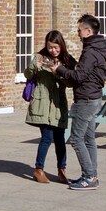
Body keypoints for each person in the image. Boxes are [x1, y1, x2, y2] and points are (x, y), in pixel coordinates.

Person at [52, 14, 106, 191]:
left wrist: (59, 70)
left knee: (77, 139)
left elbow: (79, 76)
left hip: (86, 100)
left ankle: (88, 176)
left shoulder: (91, 51)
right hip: (93, 98)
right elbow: (85, 71)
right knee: (88, 138)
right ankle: (92, 174)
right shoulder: (98, 48)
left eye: (79, 30)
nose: (78, 34)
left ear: (88, 31)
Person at [23, 30, 76, 184]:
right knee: (47, 137)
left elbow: (72, 82)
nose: (53, 50)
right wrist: (34, 66)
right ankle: (39, 170)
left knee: (60, 139)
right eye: (50, 47)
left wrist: (58, 72)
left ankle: (62, 170)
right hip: (42, 104)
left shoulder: (67, 60)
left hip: (58, 105)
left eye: (56, 47)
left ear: (61, 45)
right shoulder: (39, 57)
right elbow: (27, 74)